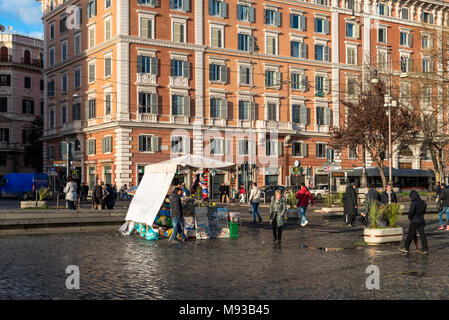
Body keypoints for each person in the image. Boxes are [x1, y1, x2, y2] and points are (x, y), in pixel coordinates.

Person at [400, 190, 429, 254]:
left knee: (410, 234)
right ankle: (425, 248)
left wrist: (410, 217)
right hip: (421, 219)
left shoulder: (414, 202)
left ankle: (406, 247)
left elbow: (411, 211)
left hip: (414, 220)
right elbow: (424, 211)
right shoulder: (423, 202)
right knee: (422, 235)